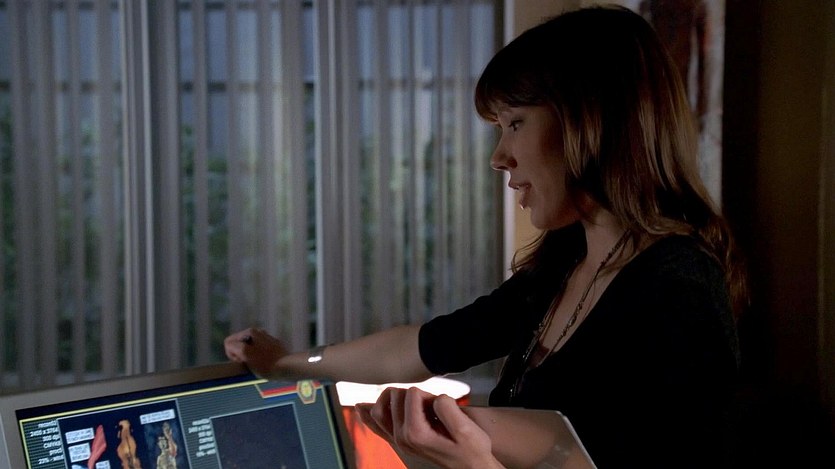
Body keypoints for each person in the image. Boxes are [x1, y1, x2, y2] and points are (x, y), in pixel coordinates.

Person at [224, 5, 745, 468]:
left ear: (592, 122)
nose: (498, 157)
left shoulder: (681, 291)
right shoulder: (563, 265)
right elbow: (421, 347)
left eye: (514, 123)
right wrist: (287, 363)